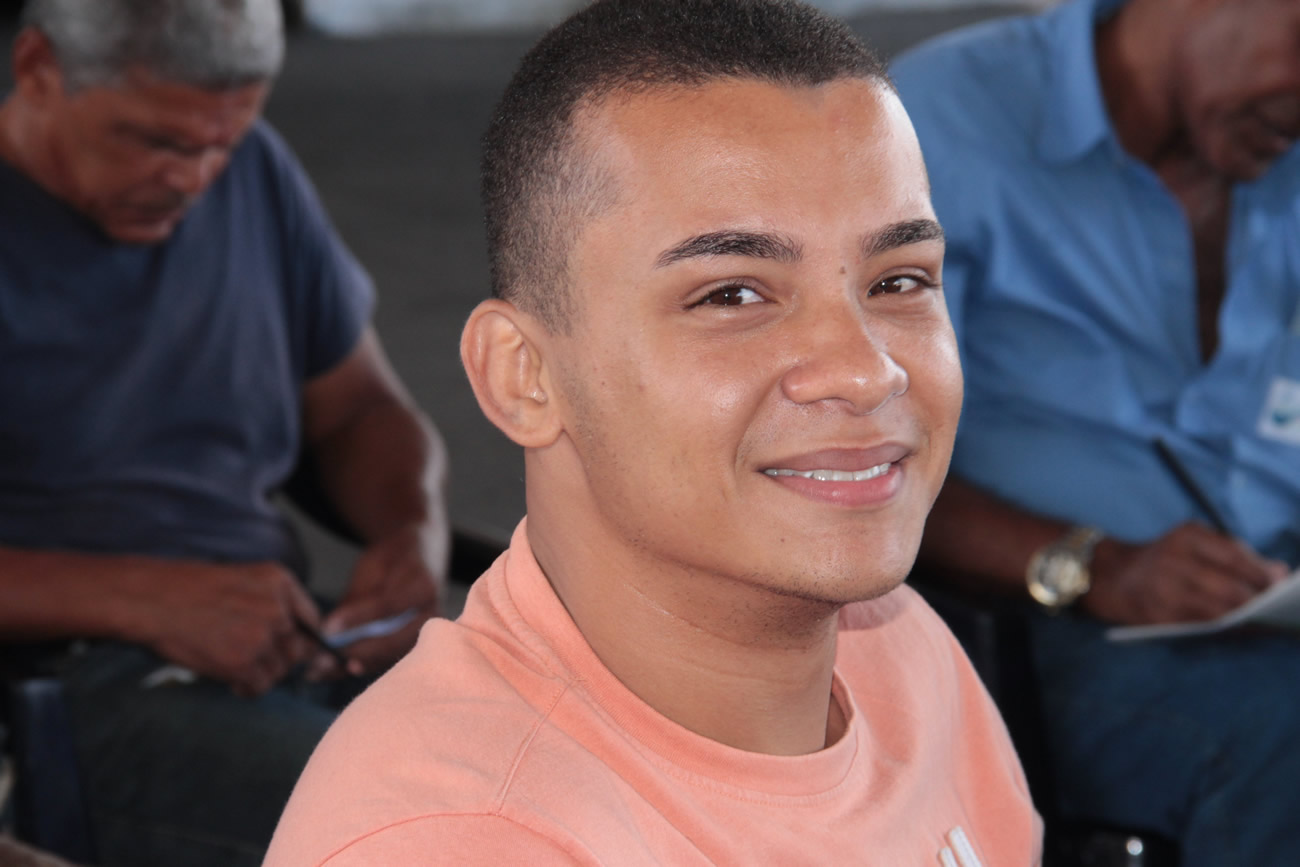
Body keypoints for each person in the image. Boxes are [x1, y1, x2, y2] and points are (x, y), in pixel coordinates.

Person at [264, 1, 1041, 864]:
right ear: (523, 376)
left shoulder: (901, 654)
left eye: (899, 281)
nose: (866, 371)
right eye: (732, 295)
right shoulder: (465, 837)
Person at [0, 1, 450, 864]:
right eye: (154, 140)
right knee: (434, 827)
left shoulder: (255, 172)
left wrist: (410, 530)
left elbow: (360, 407)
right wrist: (146, 598)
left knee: (612, 761)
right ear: (37, 68)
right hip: (76, 686)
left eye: (221, 143)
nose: (193, 177)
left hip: (287, 640)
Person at [890, 0, 1300, 861]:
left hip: (1270, 607)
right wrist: (1093, 565)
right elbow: (855, 452)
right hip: (1036, 628)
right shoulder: (940, 125)